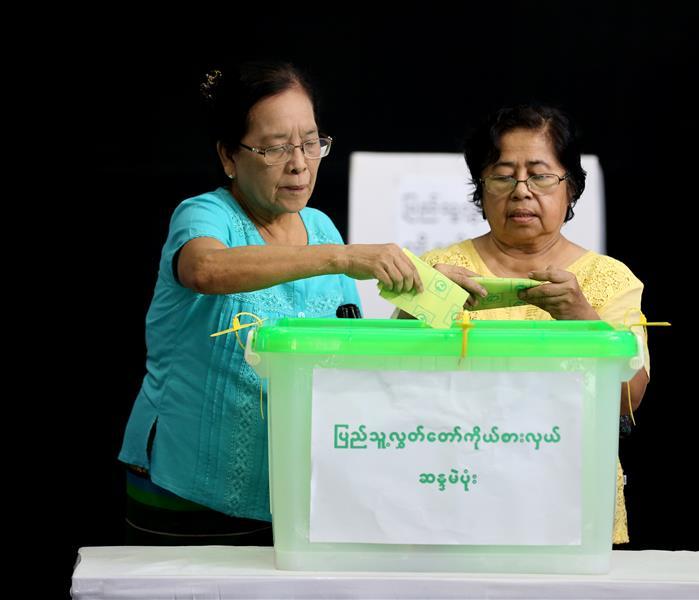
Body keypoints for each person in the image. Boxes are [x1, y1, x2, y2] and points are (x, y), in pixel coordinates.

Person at [118, 60, 421, 544]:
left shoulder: (320, 228)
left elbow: (347, 351)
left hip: (291, 489)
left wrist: (422, 298)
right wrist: (338, 259)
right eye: (277, 147)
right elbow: (205, 270)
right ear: (229, 157)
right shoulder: (204, 215)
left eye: (310, 142)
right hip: (186, 488)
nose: (300, 163)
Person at [416, 104, 650, 544]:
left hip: (569, 497)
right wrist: (427, 302)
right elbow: (385, 381)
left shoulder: (610, 279)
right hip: (453, 492)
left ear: (572, 189)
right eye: (504, 176)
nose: (521, 191)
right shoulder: (439, 269)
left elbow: (628, 399)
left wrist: (582, 318)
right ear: (480, 190)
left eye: (540, 175)